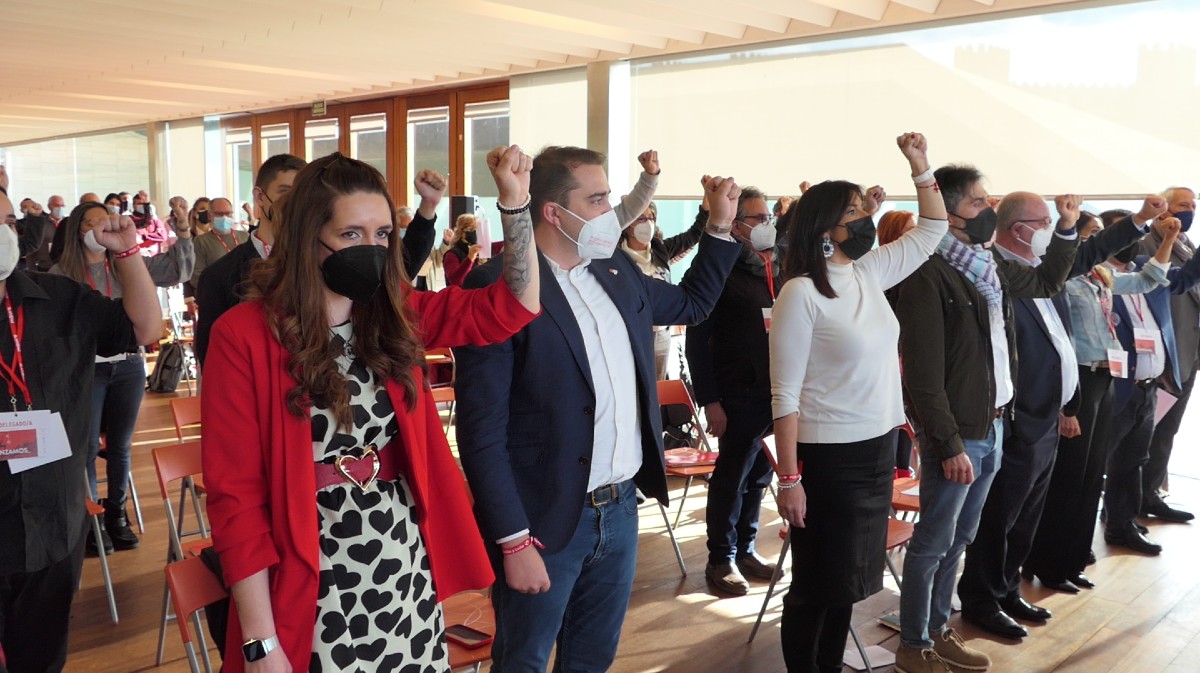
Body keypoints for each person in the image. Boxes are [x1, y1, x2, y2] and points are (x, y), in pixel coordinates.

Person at [202, 146, 540, 673]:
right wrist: (260, 643)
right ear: (305, 237)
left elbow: (512, 307)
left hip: (399, 557)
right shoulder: (243, 334)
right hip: (309, 567)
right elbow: (235, 497)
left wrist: (516, 208)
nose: (372, 248)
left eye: (383, 235)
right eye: (351, 235)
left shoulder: (392, 313)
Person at [454, 146, 742, 673]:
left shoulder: (615, 271)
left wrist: (719, 228)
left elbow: (692, 305)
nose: (612, 211)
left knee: (592, 657)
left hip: (621, 508)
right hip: (542, 518)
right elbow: (481, 431)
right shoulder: (498, 284)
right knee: (523, 659)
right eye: (598, 198)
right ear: (552, 212)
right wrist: (513, 539)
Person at [893, 163, 1080, 672]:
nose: (988, 210)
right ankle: (913, 645)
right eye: (978, 202)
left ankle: (936, 630)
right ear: (948, 212)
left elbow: (1044, 281)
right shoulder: (927, 271)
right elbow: (923, 376)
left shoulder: (987, 262)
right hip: (961, 432)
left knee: (960, 539)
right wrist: (948, 442)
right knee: (932, 542)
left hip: (995, 422)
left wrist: (1064, 231)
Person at [770, 134, 946, 673]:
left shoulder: (868, 272)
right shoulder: (800, 292)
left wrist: (919, 166)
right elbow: (785, 394)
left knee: (847, 583)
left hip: (875, 450)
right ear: (826, 230)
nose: (867, 218)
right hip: (828, 461)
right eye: (854, 212)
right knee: (816, 586)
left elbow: (934, 229)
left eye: (864, 209)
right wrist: (790, 479)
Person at [957, 192, 1158, 636]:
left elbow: (1087, 255)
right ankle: (981, 600)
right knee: (1000, 517)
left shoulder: (1044, 271)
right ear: (1017, 229)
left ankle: (1008, 590)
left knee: (1027, 514)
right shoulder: (997, 272)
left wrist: (1142, 220)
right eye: (1045, 221)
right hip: (1018, 414)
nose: (1054, 227)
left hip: (1048, 413)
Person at [0, 183, 162, 673]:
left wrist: (128, 254)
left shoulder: (58, 298)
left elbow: (144, 329)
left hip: (54, 522)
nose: (3, 234)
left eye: (7, 223)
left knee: (43, 658)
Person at [1026, 207, 1192, 588]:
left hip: (1106, 377)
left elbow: (1149, 279)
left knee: (1089, 478)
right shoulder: (1062, 280)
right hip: (1079, 379)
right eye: (1093, 233)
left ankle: (1072, 562)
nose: (1100, 239)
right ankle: (1047, 563)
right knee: (1068, 478)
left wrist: (1167, 240)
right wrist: (1066, 405)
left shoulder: (1101, 274)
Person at [688, 184, 817, 596]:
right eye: (757, 218)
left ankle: (745, 548)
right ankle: (720, 558)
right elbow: (697, 340)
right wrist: (710, 401)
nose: (767, 225)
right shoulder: (716, 270)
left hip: (777, 394)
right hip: (736, 393)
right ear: (736, 224)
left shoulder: (778, 269)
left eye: (769, 217)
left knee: (762, 475)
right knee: (732, 477)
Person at [194, 154, 442, 367]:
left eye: (304, 193)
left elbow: (397, 269)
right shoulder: (221, 276)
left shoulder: (334, 257)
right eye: (286, 192)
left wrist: (427, 210)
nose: (296, 202)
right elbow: (213, 360)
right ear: (260, 197)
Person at [50, 201, 195, 553]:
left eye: (106, 220)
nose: (102, 228)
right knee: (85, 446)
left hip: (128, 367)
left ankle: (117, 513)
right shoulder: (62, 275)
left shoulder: (129, 266)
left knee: (120, 446)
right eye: (91, 222)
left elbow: (179, 269)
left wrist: (185, 229)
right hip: (89, 370)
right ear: (77, 230)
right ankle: (92, 517)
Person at [1103, 211, 1200, 556]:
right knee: (1094, 467)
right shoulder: (1096, 278)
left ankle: (1122, 526)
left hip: (1148, 386)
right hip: (1114, 389)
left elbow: (1185, 279)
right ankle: (1071, 540)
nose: (1133, 242)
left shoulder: (1148, 269)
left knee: (1133, 461)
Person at [1138, 186, 1199, 523]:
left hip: (1188, 353)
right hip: (1162, 355)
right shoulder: (1148, 246)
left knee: (1167, 431)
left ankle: (1151, 495)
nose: (1189, 211)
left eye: (1193, 205)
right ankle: (1130, 503)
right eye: (1182, 205)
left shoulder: (1188, 245)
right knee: (1147, 432)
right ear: (1162, 210)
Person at [620, 200, 705, 379]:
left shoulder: (660, 250)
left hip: (661, 333)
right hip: (630, 332)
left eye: (651, 218)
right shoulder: (615, 255)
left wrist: (706, 209)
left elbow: (693, 235)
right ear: (628, 225)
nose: (648, 223)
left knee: (657, 386)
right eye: (641, 218)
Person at [191, 197, 247, 283]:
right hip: (217, 293)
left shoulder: (245, 236)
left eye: (228, 213)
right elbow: (197, 278)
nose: (225, 217)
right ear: (210, 216)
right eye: (220, 214)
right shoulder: (200, 242)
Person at [442, 213, 482, 287]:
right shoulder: (452, 254)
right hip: (460, 296)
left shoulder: (481, 252)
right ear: (462, 232)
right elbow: (455, 280)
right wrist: (470, 258)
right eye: (471, 229)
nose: (475, 232)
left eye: (477, 229)